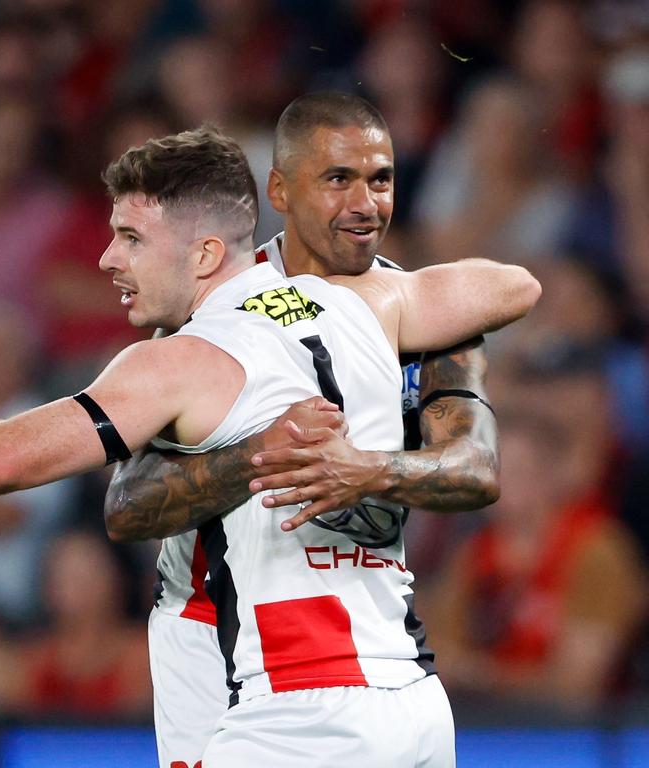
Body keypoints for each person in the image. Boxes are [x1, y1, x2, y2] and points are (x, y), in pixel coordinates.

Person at [0, 126, 539, 762]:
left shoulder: (179, 361)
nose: (108, 259)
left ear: (205, 255)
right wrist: (440, 360)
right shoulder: (360, 301)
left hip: (300, 712)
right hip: (413, 702)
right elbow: (512, 287)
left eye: (131, 237)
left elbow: (8, 458)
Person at [104, 92, 505, 768]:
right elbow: (128, 501)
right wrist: (261, 454)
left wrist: (370, 471)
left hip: (361, 636)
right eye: (338, 180)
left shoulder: (433, 326)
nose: (363, 205)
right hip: (205, 622)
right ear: (282, 193)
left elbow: (476, 470)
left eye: (380, 181)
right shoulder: (215, 319)